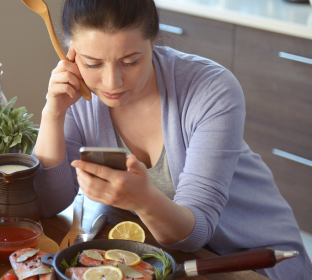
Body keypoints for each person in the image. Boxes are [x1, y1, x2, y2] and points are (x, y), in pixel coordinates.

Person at [31, 0, 312, 279]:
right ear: (71, 53)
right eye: (93, 63)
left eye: (130, 61)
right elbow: (46, 204)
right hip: (167, 259)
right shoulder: (76, 91)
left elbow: (196, 233)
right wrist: (53, 111)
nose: (111, 81)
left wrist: (143, 201)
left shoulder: (211, 89)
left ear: (153, 42)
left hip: (256, 260)